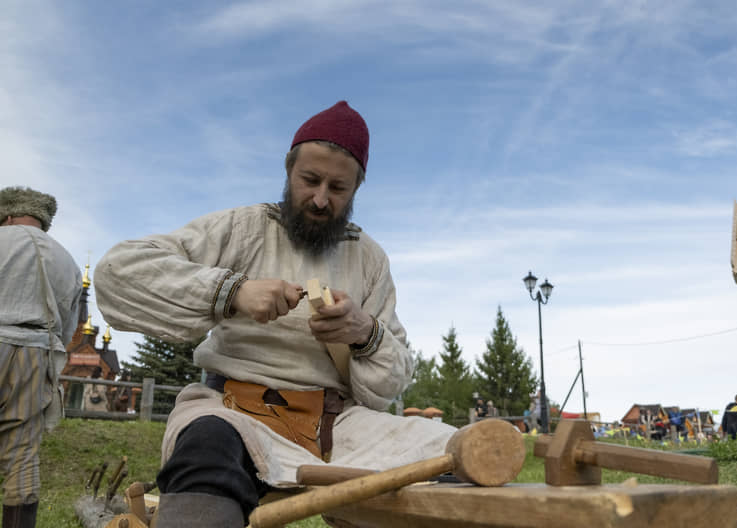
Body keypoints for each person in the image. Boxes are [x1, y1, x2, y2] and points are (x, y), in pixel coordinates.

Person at [94, 101, 458, 527]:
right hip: (234, 413)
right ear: (289, 172)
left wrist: (366, 332)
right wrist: (232, 292)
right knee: (207, 447)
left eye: (338, 188)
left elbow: (388, 386)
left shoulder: (370, 259)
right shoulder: (243, 229)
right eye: (310, 180)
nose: (321, 199)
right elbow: (116, 272)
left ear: (357, 189)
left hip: (338, 428)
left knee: (460, 452)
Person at [0, 186, 82, 528]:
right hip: (36, 352)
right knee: (21, 454)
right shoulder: (66, 259)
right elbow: (68, 328)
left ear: (5, 215)